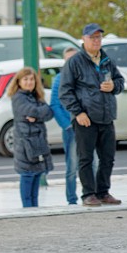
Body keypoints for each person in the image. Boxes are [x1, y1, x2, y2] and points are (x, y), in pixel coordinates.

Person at [59, 23, 123, 206]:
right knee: (85, 158)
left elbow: (119, 81)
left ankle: (103, 191)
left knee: (108, 158)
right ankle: (88, 194)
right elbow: (65, 91)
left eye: (98, 37)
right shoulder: (75, 62)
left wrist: (113, 87)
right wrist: (78, 112)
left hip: (107, 116)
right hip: (85, 118)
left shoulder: (106, 60)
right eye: (92, 37)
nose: (96, 41)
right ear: (84, 39)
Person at [8, 67, 54, 208]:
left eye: (31, 79)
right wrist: (39, 113)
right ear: (19, 82)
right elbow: (33, 111)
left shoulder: (36, 96)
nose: (29, 82)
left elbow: (49, 112)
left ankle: (34, 209)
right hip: (26, 145)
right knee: (27, 176)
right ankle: (28, 210)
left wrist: (37, 116)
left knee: (36, 176)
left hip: (38, 143)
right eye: (25, 79)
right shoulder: (18, 98)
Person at [50, 47, 81, 205]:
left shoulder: (86, 76)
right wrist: (67, 126)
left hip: (89, 128)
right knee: (72, 167)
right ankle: (72, 199)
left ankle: (93, 195)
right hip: (71, 130)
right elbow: (55, 104)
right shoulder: (59, 79)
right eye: (68, 59)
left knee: (94, 163)